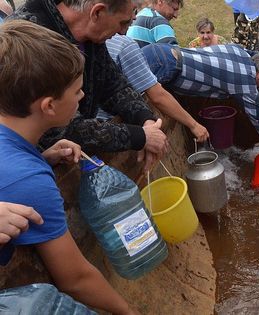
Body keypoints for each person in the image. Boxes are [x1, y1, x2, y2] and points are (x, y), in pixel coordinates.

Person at [0, 20, 137, 314]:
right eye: (77, 91)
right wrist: (129, 312)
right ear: (49, 106)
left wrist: (40, 156)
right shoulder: (31, 182)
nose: (83, 97)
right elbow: (75, 279)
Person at [11, 0, 167, 172]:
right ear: (97, 12)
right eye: (123, 23)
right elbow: (64, 128)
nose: (123, 33)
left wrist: (145, 120)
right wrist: (139, 136)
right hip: (26, 169)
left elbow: (113, 84)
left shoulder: (90, 34)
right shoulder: (31, 42)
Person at [142, 43, 259, 168]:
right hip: (164, 66)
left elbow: (254, 53)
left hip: (161, 50)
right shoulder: (246, 84)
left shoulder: (241, 52)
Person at [105, 34, 209, 142]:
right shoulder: (124, 45)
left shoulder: (97, 44)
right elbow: (157, 95)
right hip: (110, 129)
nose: (134, 19)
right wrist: (194, 125)